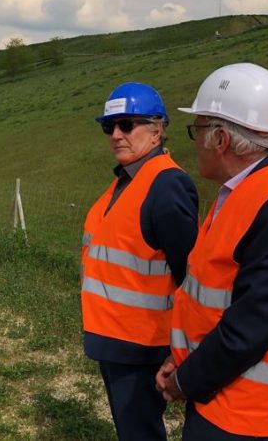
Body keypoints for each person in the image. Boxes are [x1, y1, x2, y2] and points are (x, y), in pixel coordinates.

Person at [156, 63, 268, 440]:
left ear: (221, 139)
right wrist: (181, 359)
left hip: (254, 420)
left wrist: (186, 379)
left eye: (197, 129)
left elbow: (251, 326)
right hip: (222, 403)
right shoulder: (241, 194)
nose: (193, 141)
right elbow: (211, 298)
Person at [81, 82, 199, 440]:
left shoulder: (166, 185)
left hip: (143, 345)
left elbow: (192, 277)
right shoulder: (126, 181)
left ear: (158, 129)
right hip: (113, 338)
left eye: (127, 124)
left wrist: (182, 348)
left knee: (140, 434)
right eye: (109, 127)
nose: (116, 135)